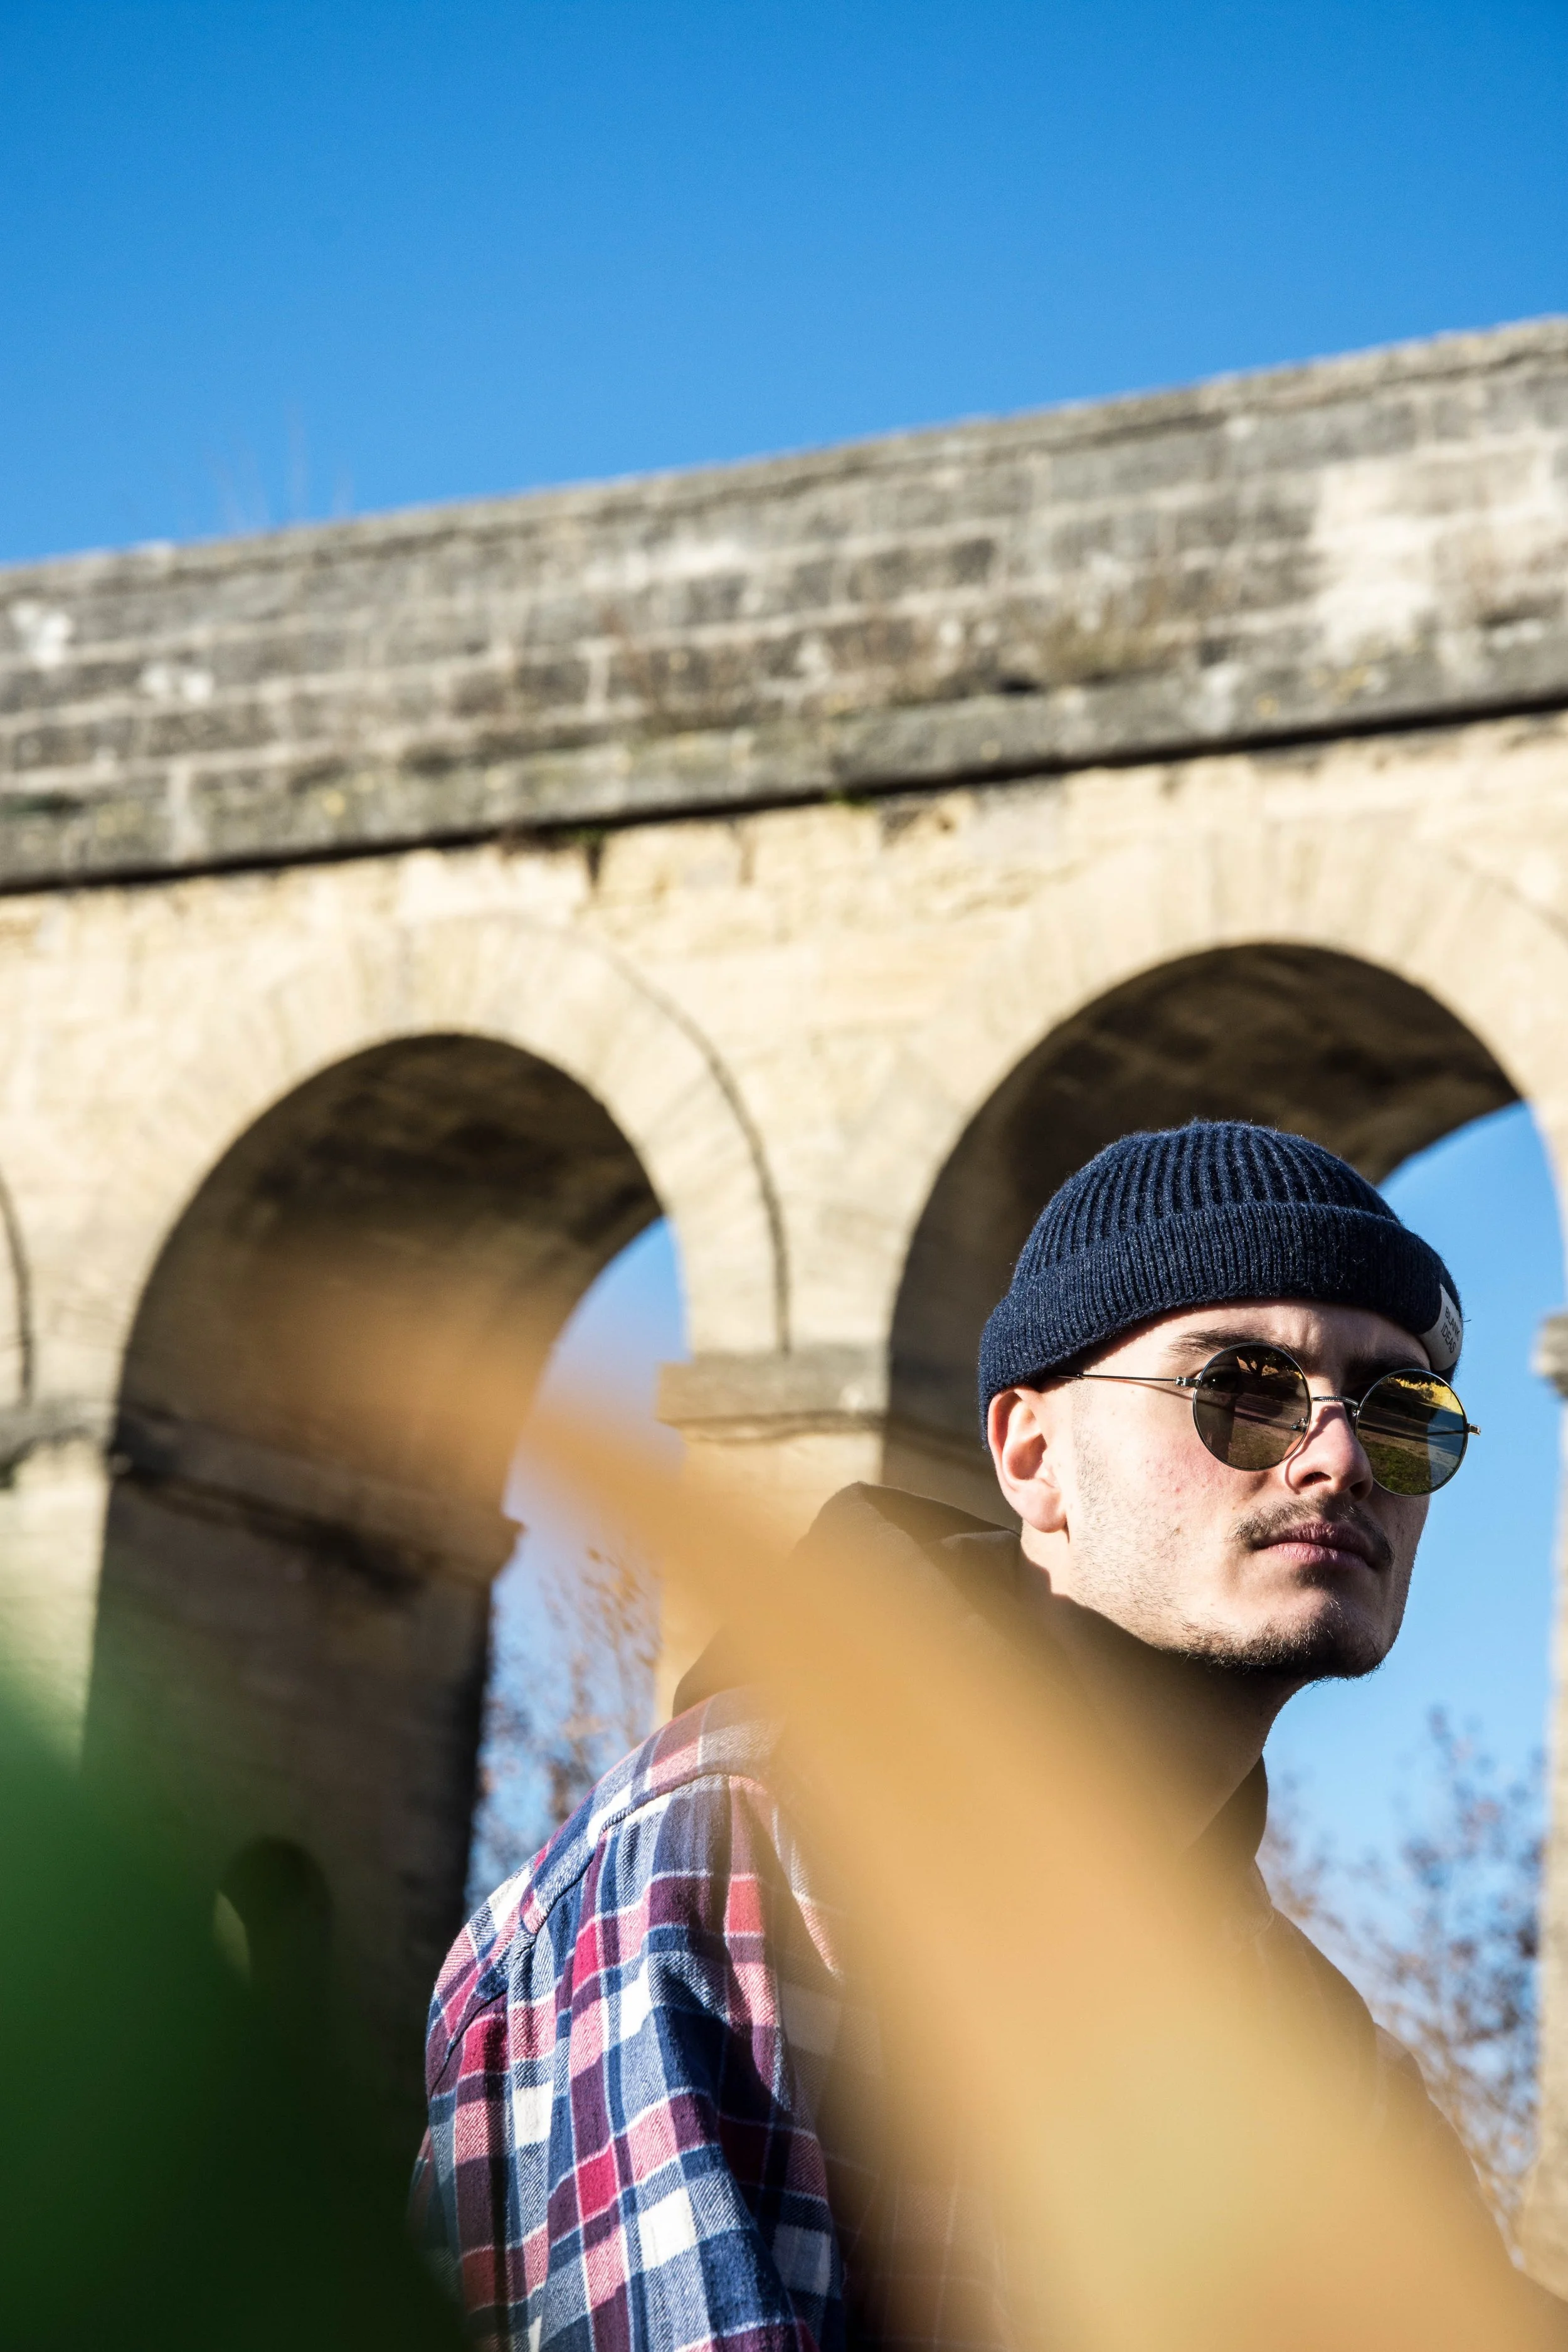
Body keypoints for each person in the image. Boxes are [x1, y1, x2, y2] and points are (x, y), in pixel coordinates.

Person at [415, 1121, 1554, 2349]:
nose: (1337, 1458)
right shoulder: (736, 1842)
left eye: (1399, 1417)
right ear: (1030, 1455)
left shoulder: (1322, 2064)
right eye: (1241, 1390)